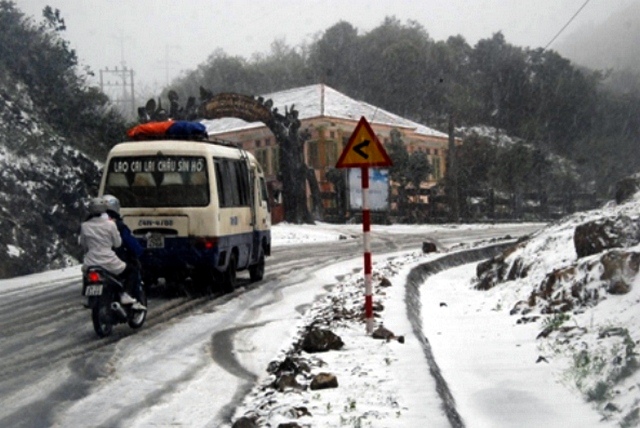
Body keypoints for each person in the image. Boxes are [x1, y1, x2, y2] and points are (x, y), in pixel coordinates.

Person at [79, 197, 145, 310]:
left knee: (87, 275)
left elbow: (83, 244)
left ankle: (87, 295)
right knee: (131, 271)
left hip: (90, 261)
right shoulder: (111, 225)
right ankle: (125, 294)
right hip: (109, 260)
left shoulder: (84, 226)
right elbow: (118, 243)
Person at [102, 194, 146, 307]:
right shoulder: (118, 226)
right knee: (132, 270)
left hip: (93, 261)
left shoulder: (92, 224)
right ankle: (126, 294)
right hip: (114, 260)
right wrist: (140, 250)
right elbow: (129, 242)